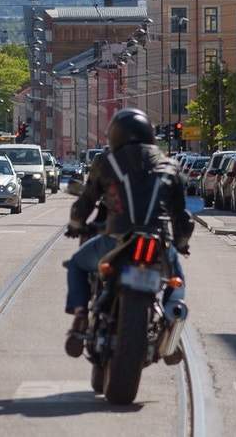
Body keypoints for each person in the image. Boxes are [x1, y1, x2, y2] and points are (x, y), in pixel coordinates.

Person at [63, 108, 193, 359]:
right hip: (158, 241)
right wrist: (181, 244)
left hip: (115, 239)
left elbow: (83, 205)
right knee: (176, 282)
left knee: (77, 265)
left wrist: (76, 226)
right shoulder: (170, 166)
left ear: (115, 135)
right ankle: (170, 324)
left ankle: (81, 315)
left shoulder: (106, 162)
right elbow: (183, 219)